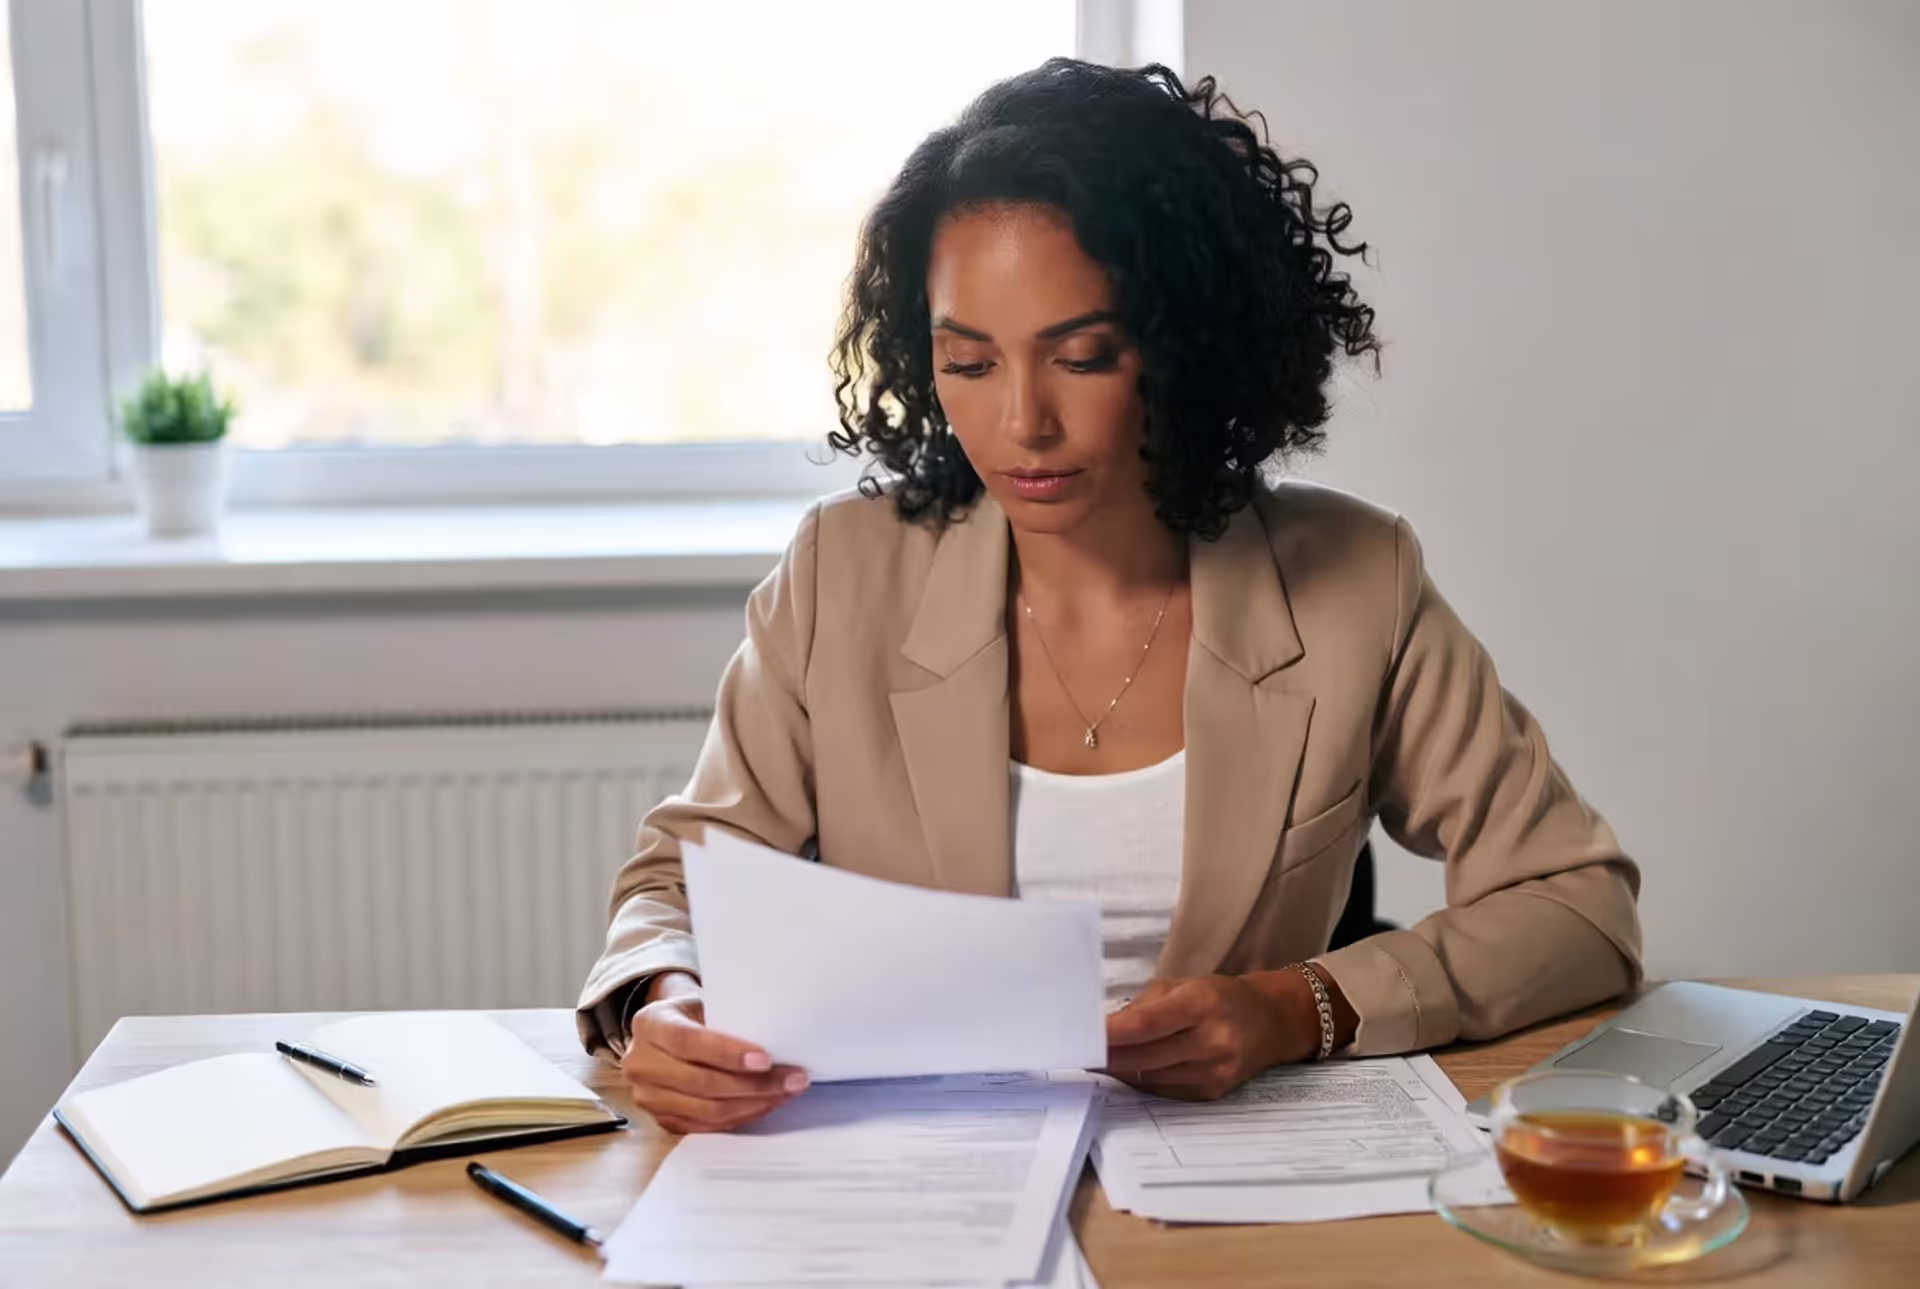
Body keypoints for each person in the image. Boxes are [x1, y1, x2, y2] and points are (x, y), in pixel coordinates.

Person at [576, 58, 1642, 1135]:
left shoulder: (1356, 580)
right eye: (970, 362)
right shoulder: (841, 574)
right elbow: (677, 883)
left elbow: (1580, 907)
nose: (1022, 422)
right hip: (915, 1180)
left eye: (1082, 357)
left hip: (1238, 1186)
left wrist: (1298, 1007)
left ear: (1186, 350)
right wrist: (667, 1004)